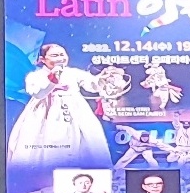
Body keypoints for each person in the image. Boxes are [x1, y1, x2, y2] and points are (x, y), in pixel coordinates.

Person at [6, 43, 116, 172]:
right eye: (55, 55)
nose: (60, 58)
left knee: (86, 141)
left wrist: (102, 79)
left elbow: (92, 84)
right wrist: (52, 82)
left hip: (75, 111)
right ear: (42, 59)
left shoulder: (73, 73)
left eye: (62, 54)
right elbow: (38, 93)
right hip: (44, 113)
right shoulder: (35, 76)